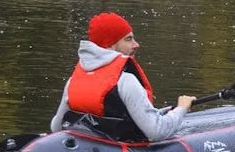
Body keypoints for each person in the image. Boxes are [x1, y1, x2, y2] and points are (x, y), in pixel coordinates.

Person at [49, 12, 194, 142]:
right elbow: (156, 132)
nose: (136, 44)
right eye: (128, 39)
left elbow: (56, 127)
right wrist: (181, 109)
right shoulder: (126, 82)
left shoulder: (73, 81)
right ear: (110, 44)